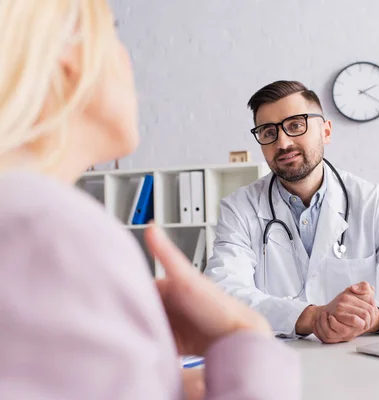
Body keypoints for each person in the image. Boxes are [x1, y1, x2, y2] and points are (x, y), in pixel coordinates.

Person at [0, 2, 299, 399]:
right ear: (67, 54)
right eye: (114, 32)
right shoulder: (53, 232)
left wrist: (165, 385)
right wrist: (244, 337)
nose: (128, 60)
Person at [204, 80, 379, 343]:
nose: (283, 142)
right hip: (275, 363)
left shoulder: (370, 201)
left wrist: (372, 317)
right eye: (268, 132)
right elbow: (221, 294)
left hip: (352, 365)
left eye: (296, 125)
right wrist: (312, 317)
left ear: (326, 131)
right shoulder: (240, 208)